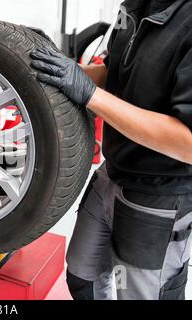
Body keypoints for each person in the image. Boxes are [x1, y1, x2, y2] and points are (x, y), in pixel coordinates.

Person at [31, 0, 192, 300]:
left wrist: (89, 95)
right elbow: (112, 72)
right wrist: (58, 73)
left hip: (158, 194)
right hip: (112, 172)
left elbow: (188, 143)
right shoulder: (135, 6)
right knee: (82, 277)